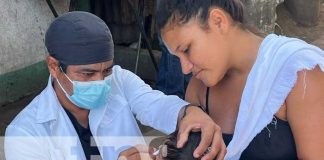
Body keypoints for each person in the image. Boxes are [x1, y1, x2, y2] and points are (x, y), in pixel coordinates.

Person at [4, 11, 226, 160]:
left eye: (106, 70)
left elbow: (156, 104)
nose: (101, 82)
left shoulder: (119, 80)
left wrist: (188, 112)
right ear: (54, 66)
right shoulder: (25, 134)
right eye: (87, 73)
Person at [156, 0, 324, 159]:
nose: (185, 69)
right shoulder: (198, 88)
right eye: (177, 58)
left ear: (218, 21)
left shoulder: (297, 72)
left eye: (186, 49)